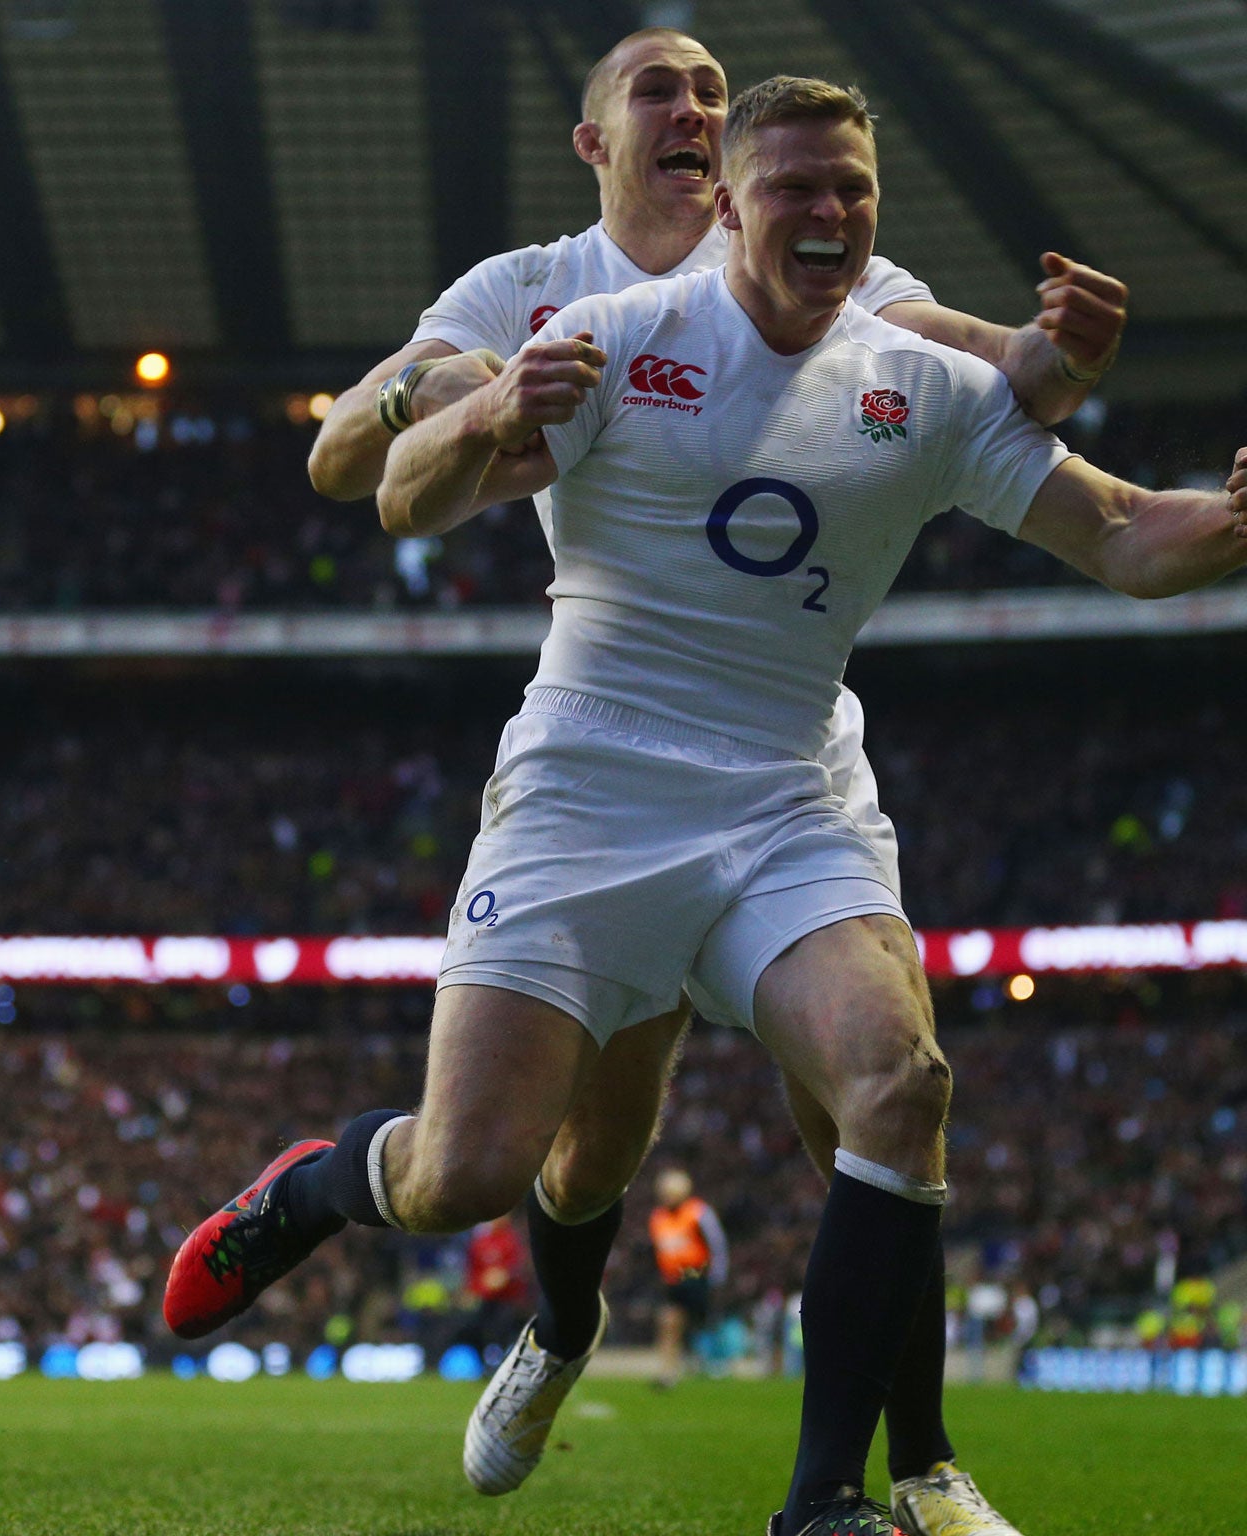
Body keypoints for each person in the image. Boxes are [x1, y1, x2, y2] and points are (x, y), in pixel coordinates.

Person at [169, 73, 1247, 1536]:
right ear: (732, 205)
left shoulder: (911, 383)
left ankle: (831, 1502)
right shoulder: (612, 337)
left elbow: (1123, 535)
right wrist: (488, 412)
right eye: (795, 187)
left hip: (789, 793)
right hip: (590, 787)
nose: (827, 212)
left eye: (851, 191)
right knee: (467, 1173)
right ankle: (312, 1189)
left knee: (897, 1084)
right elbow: (400, 500)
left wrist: (1233, 522)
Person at [647, 1167, 727, 1388]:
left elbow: (717, 1245)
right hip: (673, 1280)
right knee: (668, 1323)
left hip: (697, 1277)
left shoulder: (698, 1212)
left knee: (701, 1324)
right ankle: (668, 1372)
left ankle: (710, 1363)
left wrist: (717, 1277)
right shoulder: (658, 1217)